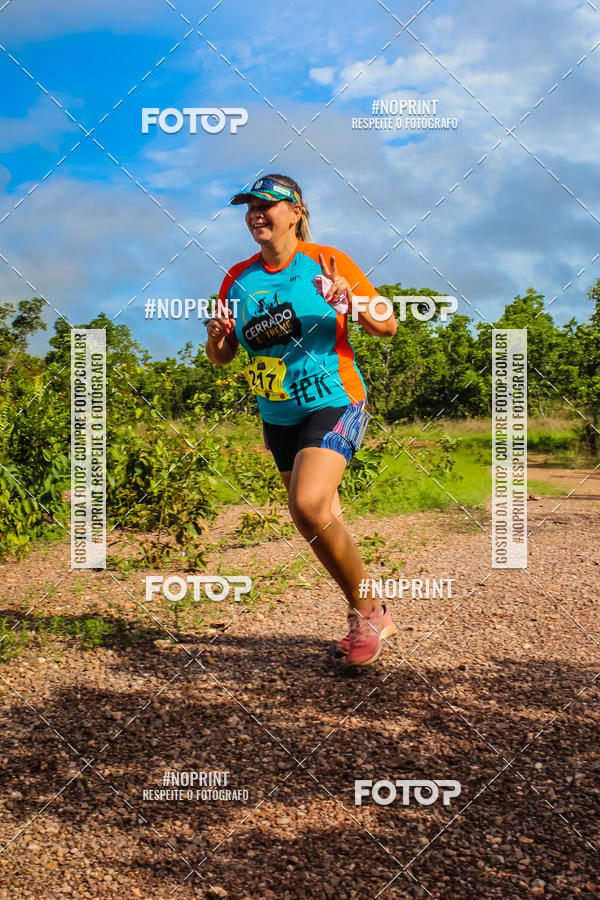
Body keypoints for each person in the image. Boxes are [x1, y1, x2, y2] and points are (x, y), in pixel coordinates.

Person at [206, 174, 398, 666]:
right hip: (278, 414)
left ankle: (368, 612)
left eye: (266, 205)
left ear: (295, 211)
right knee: (315, 517)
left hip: (334, 399)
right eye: (249, 206)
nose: (256, 214)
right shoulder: (237, 278)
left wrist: (348, 300)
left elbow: (387, 324)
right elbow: (224, 356)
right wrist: (218, 335)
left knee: (309, 504)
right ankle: (369, 609)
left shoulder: (327, 261)